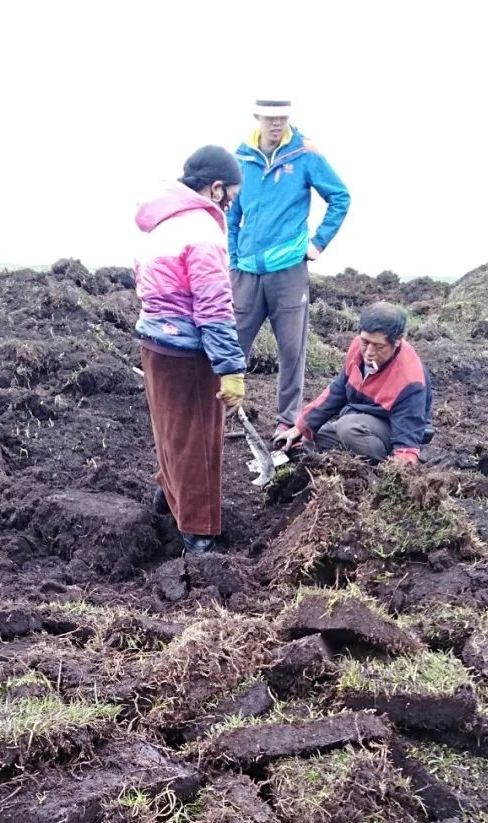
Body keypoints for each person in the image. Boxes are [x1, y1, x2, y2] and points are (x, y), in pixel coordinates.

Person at [134, 146, 247, 553]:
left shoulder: (162, 224)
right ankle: (199, 537)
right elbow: (214, 307)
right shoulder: (202, 230)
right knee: (199, 441)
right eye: (230, 195)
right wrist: (230, 368)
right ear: (215, 188)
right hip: (187, 351)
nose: (230, 204)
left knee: (171, 432)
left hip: (155, 343)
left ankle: (166, 500)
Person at [228, 98, 350, 448]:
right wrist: (234, 258)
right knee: (232, 347)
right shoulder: (241, 158)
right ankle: (215, 418)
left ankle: (286, 424)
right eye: (270, 117)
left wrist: (318, 244)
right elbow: (231, 214)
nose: (276, 123)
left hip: (289, 271)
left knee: (292, 351)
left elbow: (340, 196)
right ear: (258, 117)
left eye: (282, 117)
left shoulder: (305, 154)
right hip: (247, 272)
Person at [280, 302, 433, 464]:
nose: (369, 353)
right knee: (312, 440)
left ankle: (379, 465)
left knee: (349, 429)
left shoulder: (409, 379)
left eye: (379, 346)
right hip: (360, 421)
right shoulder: (357, 348)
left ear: (398, 340)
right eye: (365, 342)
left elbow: (407, 437)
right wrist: (300, 427)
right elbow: (337, 391)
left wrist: (398, 468)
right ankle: (352, 457)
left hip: (391, 427)